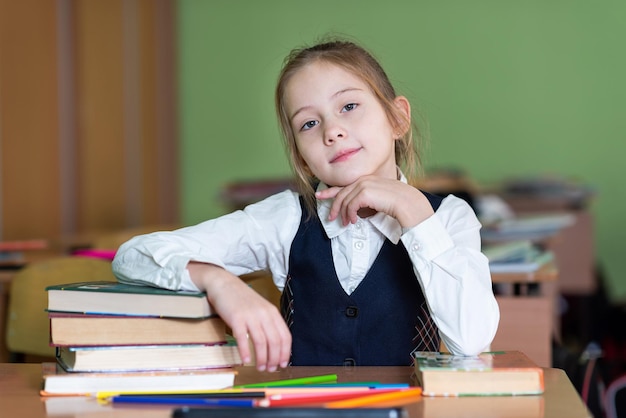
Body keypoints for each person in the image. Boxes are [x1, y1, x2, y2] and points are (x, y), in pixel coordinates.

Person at [112, 38, 500, 372]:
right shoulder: (285, 218)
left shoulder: (447, 216)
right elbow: (132, 256)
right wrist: (219, 282)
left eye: (348, 106)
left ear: (397, 118)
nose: (333, 131)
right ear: (301, 158)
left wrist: (414, 214)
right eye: (309, 124)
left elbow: (472, 341)